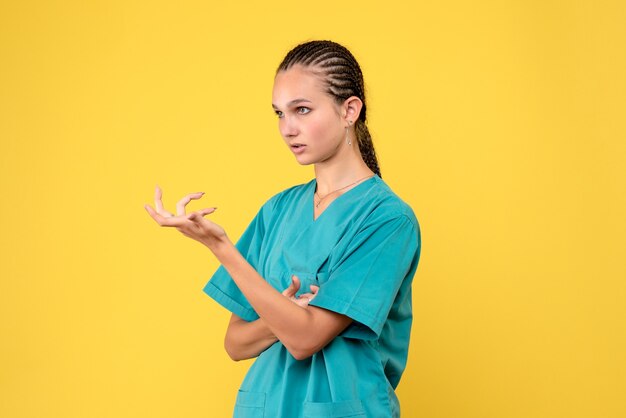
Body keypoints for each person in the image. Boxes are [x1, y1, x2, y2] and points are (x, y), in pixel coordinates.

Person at [145, 40, 421, 418]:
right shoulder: (278, 210)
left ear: (349, 110)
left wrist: (221, 247)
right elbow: (236, 343)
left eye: (302, 110)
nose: (288, 129)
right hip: (266, 406)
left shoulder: (387, 220)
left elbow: (306, 339)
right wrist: (286, 313)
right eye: (279, 113)